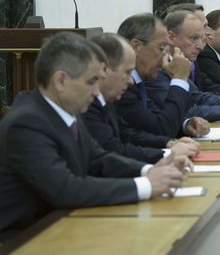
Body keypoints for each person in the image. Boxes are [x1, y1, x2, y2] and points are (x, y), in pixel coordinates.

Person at [0, 32, 187, 242]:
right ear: (61, 80)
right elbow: (66, 189)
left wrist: (150, 170)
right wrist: (146, 185)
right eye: (92, 81)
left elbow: (98, 158)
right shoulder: (26, 123)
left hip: (64, 226)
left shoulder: (65, 110)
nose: (97, 91)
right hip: (24, 240)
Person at [82, 33, 200, 165]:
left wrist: (169, 143)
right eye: (127, 72)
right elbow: (114, 150)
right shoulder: (86, 105)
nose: (131, 80)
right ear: (104, 70)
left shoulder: (105, 100)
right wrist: (167, 154)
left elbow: (127, 134)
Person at [114, 13, 210, 137]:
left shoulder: (138, 82)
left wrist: (186, 125)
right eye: (161, 47)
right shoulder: (122, 86)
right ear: (136, 46)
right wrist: (179, 80)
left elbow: (155, 122)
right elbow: (162, 129)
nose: (165, 56)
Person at [147, 10, 220, 122]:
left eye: (201, 39)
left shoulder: (179, 62)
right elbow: (182, 112)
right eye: (193, 38)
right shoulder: (157, 67)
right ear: (171, 37)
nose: (201, 47)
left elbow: (198, 96)